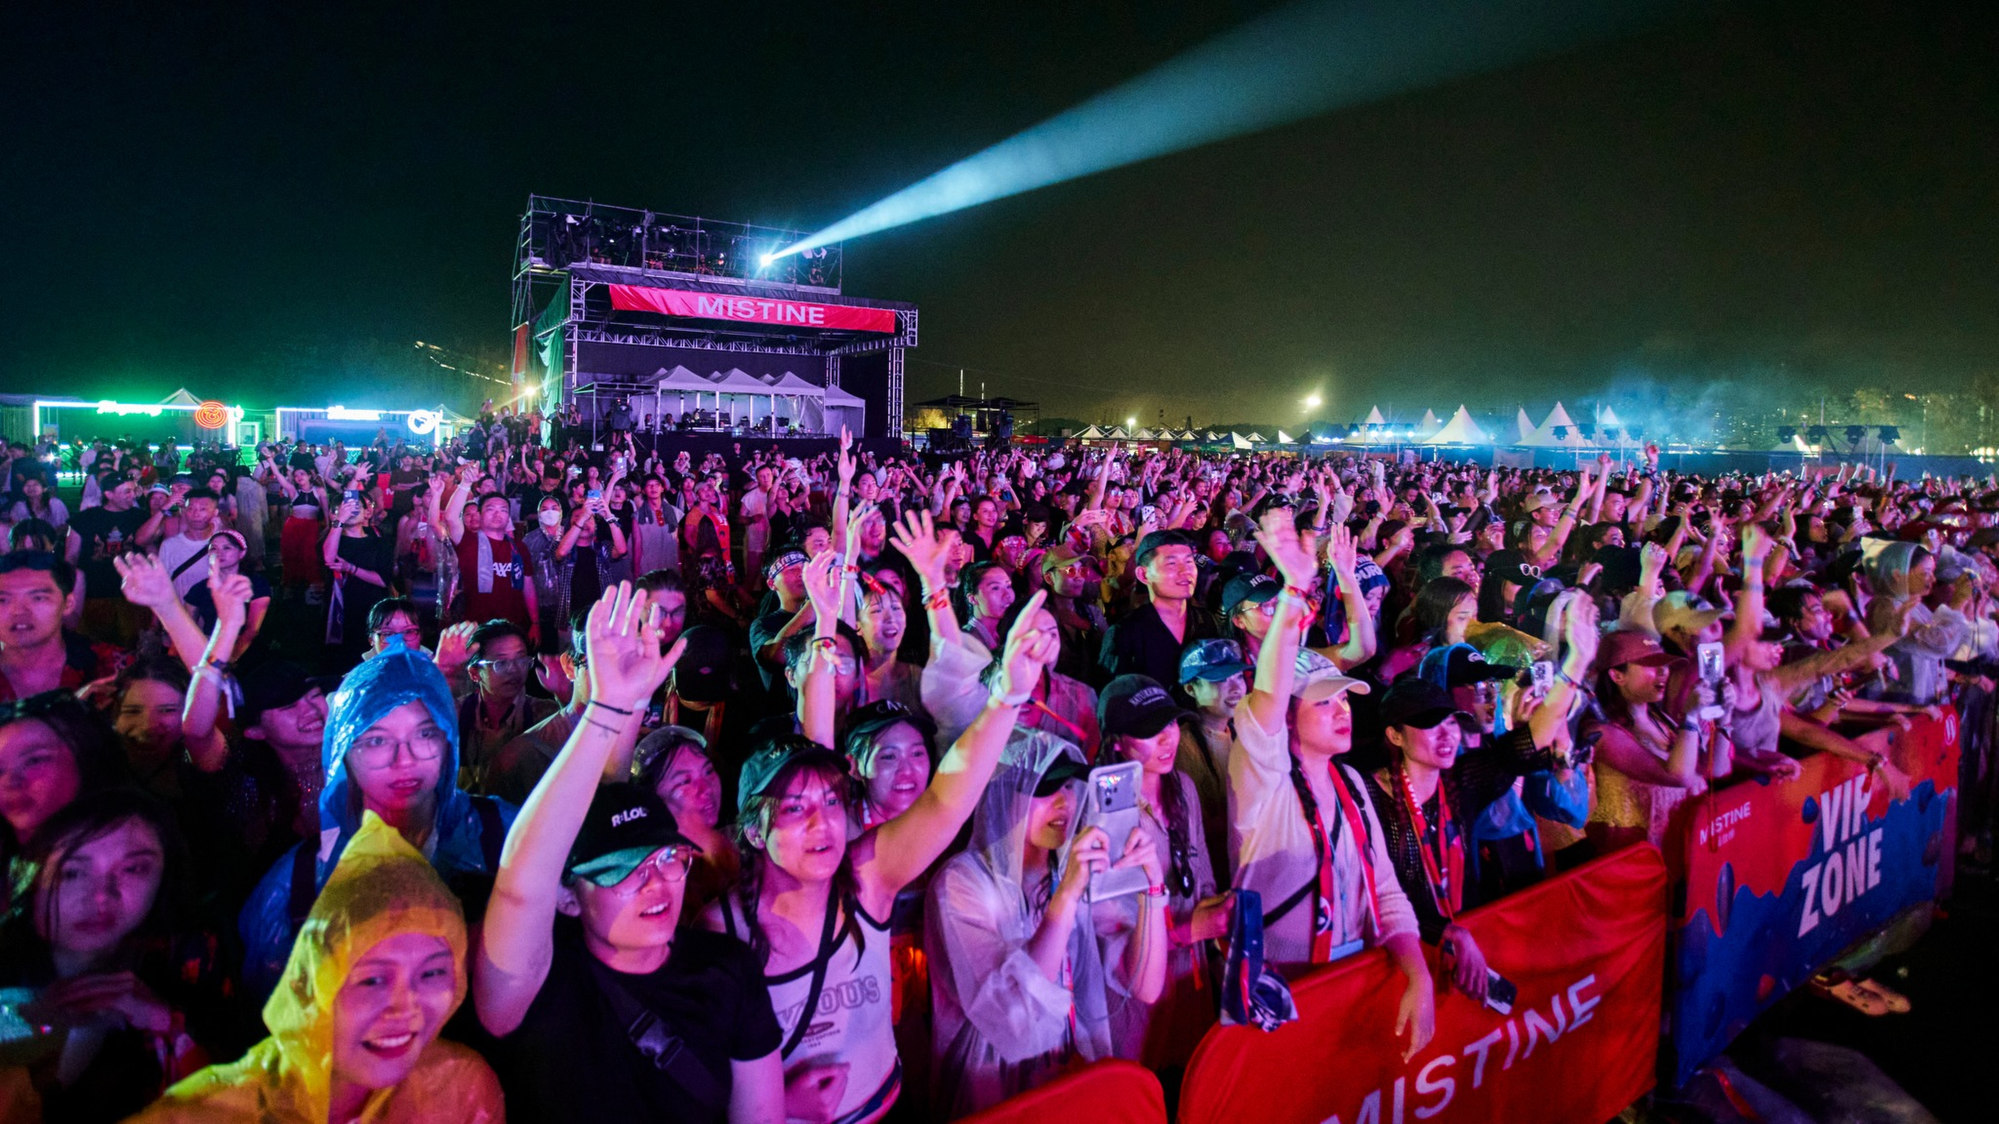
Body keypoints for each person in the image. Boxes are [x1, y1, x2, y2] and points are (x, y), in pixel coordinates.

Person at [704, 567, 1055, 1124]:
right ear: (753, 831)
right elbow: (694, 1067)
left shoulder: (866, 880)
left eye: (831, 802)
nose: (821, 823)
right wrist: (773, 1104)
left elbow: (945, 799)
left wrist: (1006, 697)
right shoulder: (721, 928)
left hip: (890, 1105)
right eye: (793, 808)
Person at [475, 584, 785, 1124]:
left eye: (666, 859)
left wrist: (629, 704)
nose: (656, 883)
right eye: (622, 871)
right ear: (568, 898)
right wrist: (607, 710)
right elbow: (522, 884)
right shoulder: (539, 988)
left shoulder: (726, 969)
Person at [131, 812, 505, 1123]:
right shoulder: (204, 1115)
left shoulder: (461, 1091)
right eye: (373, 979)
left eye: (432, 973)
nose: (405, 1006)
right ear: (312, 982)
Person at [1225, 514, 1433, 1051]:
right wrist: (1294, 589)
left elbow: (1384, 891)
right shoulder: (1264, 780)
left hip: (1354, 984)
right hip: (1283, 998)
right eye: (1324, 702)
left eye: (1344, 698)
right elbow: (1267, 701)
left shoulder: (1353, 785)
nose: (1343, 711)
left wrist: (1417, 971)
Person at [237, 647, 518, 998]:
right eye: (377, 740)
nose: (405, 759)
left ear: (448, 739)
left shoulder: (503, 832)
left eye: (425, 734)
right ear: (344, 753)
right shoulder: (297, 885)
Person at [924, 726, 1169, 1115]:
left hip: (1070, 1086)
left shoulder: (1071, 869)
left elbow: (1145, 985)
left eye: (1069, 786)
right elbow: (1018, 1024)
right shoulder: (962, 883)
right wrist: (1066, 896)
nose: (1063, 801)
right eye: (1045, 788)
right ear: (1003, 792)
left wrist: (1151, 887)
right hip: (993, 1096)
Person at [0, 791, 217, 1123]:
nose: (101, 896)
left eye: (134, 869)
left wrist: (167, 1025)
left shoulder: (189, 959)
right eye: (71, 872)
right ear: (27, 878)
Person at [1096, 674, 1226, 1071]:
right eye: (1150, 729)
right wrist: (1190, 930)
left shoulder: (1183, 788)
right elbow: (1111, 941)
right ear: (1117, 742)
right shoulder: (1105, 811)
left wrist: (1221, 914)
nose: (1168, 738)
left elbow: (1203, 879)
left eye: (1170, 722)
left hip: (1192, 982)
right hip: (1137, 1000)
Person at [0, 691, 126, 918]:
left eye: (34, 760)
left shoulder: (125, 859)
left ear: (85, 760)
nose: (11, 781)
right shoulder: (10, 858)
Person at [633, 725, 740, 919]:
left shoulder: (739, 845)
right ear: (652, 799)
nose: (706, 788)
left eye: (708, 771)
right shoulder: (648, 876)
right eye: (684, 781)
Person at [1098, 530, 1219, 693]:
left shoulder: (1205, 621)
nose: (1185, 571)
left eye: (1189, 562)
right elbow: (1115, 698)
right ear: (1143, 574)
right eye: (1172, 564)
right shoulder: (1125, 633)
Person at [2, 551, 121, 702]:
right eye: (3, 600)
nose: (19, 611)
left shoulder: (109, 665)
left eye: (38, 598)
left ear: (68, 604)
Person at [440, 466, 539, 638]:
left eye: (503, 510)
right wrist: (465, 484)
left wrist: (535, 622)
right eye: (490, 509)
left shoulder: (519, 547)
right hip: (478, 628)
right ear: (479, 514)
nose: (497, 514)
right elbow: (450, 517)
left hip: (515, 627)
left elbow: (528, 587)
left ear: (508, 517)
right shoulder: (468, 541)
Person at [156, 488, 224, 601]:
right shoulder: (169, 546)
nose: (196, 514)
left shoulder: (223, 546)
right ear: (184, 511)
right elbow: (161, 584)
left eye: (203, 509)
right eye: (191, 508)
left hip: (214, 609)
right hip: (179, 610)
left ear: (215, 513)